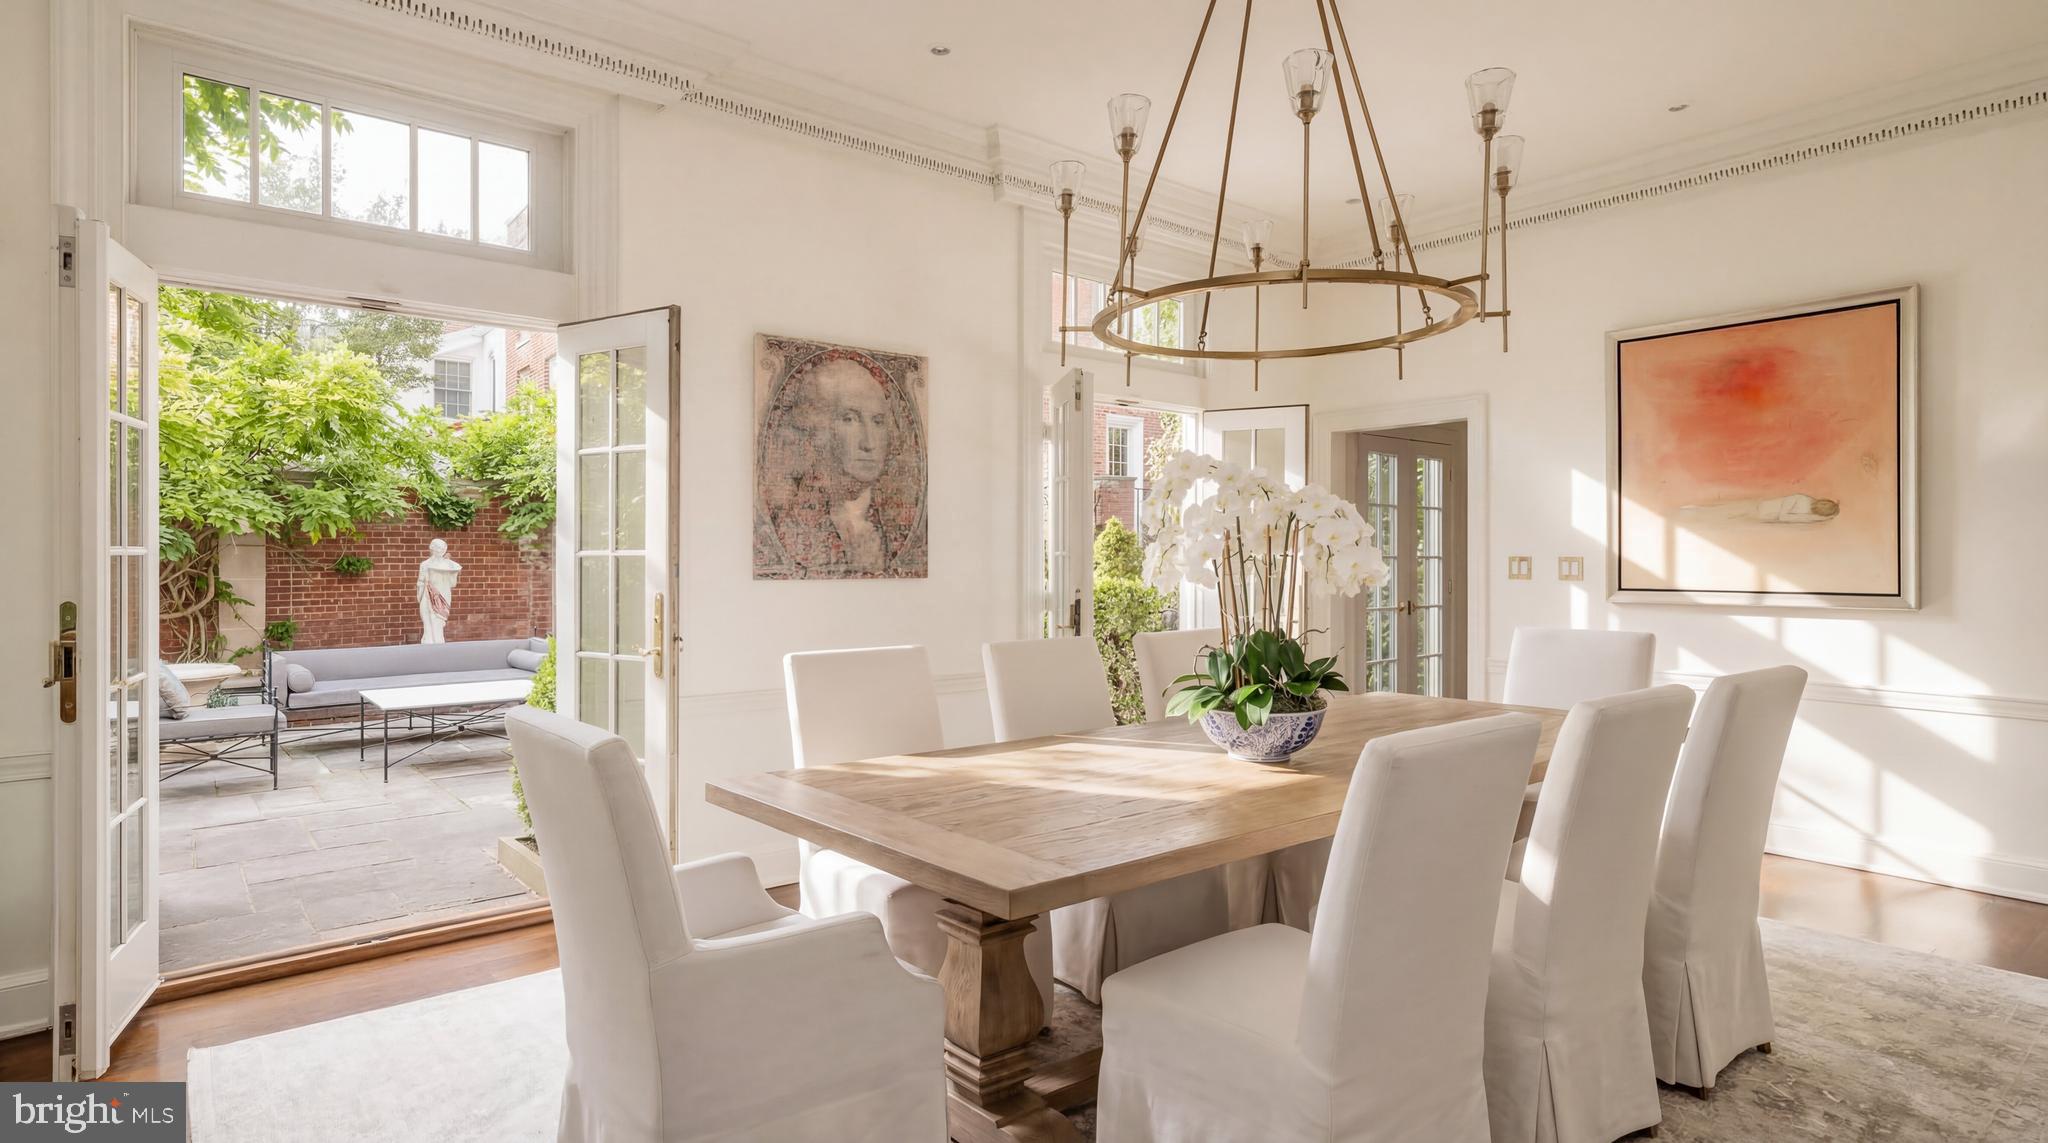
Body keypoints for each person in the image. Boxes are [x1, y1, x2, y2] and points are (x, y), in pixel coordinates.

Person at [759, 350, 918, 577]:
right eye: (849, 419)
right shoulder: (792, 526)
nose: (869, 442)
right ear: (820, 429)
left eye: (878, 421)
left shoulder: (898, 522)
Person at [417, 538, 462, 643]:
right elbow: (420, 582)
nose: (440, 550)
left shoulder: (449, 565)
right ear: (431, 548)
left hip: (442, 597)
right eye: (437, 548)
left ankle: (438, 643)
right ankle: (428, 642)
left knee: (437, 622)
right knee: (427, 621)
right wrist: (420, 596)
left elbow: (452, 584)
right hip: (427, 596)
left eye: (442, 548)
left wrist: (454, 574)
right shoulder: (425, 564)